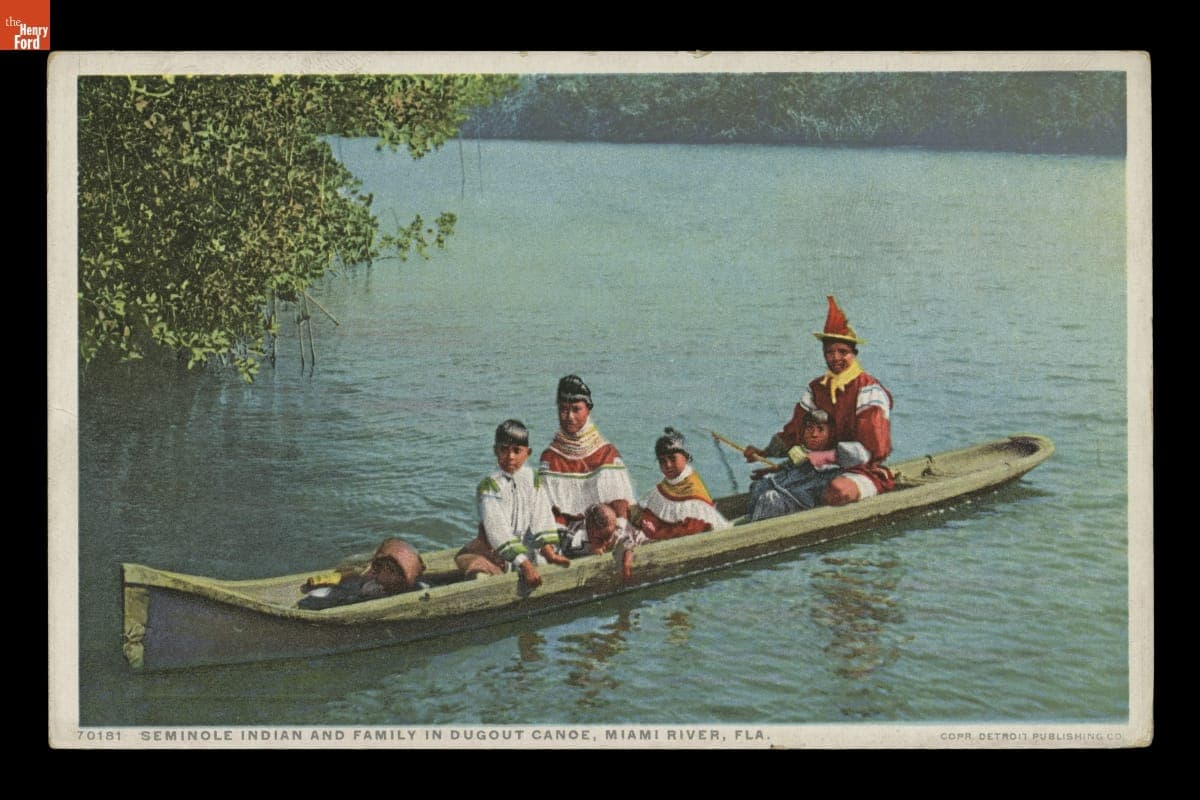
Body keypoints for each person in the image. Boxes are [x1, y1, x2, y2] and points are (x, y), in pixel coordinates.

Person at [744, 295, 894, 506]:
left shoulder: (869, 391)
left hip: (862, 468)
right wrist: (764, 452)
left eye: (843, 352)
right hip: (819, 467)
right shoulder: (816, 388)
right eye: (829, 352)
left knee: (837, 491)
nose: (836, 358)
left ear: (854, 354)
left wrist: (823, 458)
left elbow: (871, 450)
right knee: (762, 485)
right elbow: (795, 432)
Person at [454, 419, 571, 588]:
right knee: (476, 570)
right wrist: (524, 564)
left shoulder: (533, 479)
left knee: (546, 561)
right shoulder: (490, 486)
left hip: (529, 550)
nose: (510, 456)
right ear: (496, 451)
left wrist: (548, 551)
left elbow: (542, 517)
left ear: (528, 453)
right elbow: (498, 532)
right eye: (504, 450)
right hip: (500, 552)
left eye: (517, 450)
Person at [538, 375, 637, 526]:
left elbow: (621, 506)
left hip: (608, 531)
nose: (570, 417)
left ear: (588, 410)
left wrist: (616, 533)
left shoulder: (607, 454)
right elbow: (548, 512)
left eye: (576, 409)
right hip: (564, 534)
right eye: (564, 409)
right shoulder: (550, 458)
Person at [745, 409, 861, 520]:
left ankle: (756, 531)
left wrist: (822, 458)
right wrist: (767, 471)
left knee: (770, 499)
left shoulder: (833, 460)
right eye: (809, 428)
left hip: (800, 502)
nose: (814, 434)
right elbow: (788, 466)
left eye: (820, 430)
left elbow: (854, 457)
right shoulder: (803, 452)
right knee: (759, 486)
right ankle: (751, 520)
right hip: (784, 489)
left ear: (829, 433)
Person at [638, 427, 731, 539]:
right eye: (662, 461)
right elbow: (648, 515)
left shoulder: (694, 492)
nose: (668, 465)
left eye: (672, 459)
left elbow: (691, 529)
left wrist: (657, 534)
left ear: (685, 458)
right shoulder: (662, 488)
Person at [298, 537, 427, 610]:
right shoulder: (369, 572)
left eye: (392, 570)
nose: (386, 571)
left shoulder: (399, 584)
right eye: (384, 567)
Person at [559, 502, 647, 582]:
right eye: (601, 539)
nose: (607, 541)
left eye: (610, 536)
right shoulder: (576, 536)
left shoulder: (619, 528)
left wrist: (626, 566)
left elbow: (628, 544)